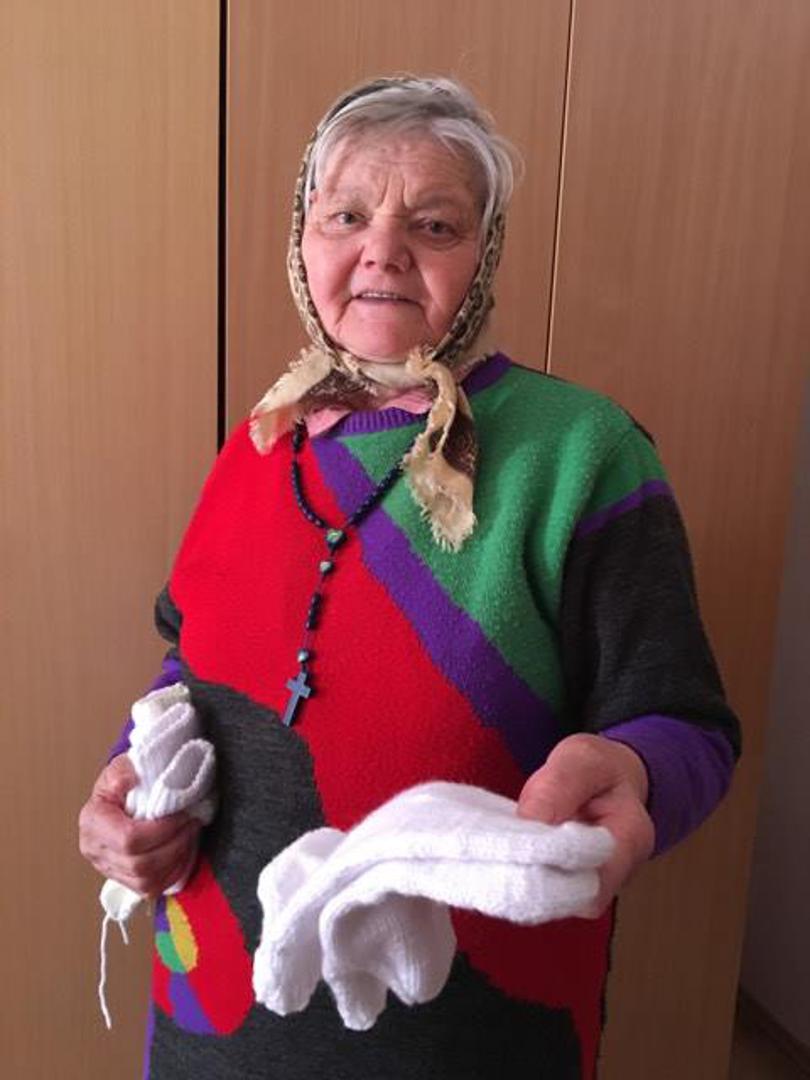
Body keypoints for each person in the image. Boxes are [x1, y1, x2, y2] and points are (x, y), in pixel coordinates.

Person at [79, 75, 740, 1079]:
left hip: (471, 1034)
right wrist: (127, 780)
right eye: (346, 215)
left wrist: (639, 773)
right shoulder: (258, 444)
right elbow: (186, 671)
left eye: (433, 224)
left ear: (485, 254)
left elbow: (689, 725)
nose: (382, 249)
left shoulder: (583, 453)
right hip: (217, 1010)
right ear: (304, 241)